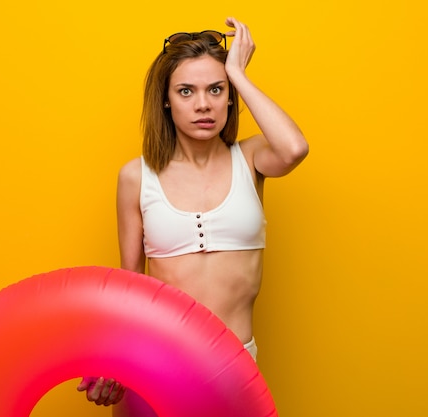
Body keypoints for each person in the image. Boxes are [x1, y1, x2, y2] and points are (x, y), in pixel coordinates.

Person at [77, 16, 309, 416]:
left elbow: (294, 149)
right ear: (167, 100)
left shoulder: (251, 159)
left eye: (216, 89)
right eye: (187, 91)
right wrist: (110, 362)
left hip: (234, 368)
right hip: (153, 366)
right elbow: (129, 281)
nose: (203, 104)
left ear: (230, 95)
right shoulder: (137, 176)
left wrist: (237, 72)